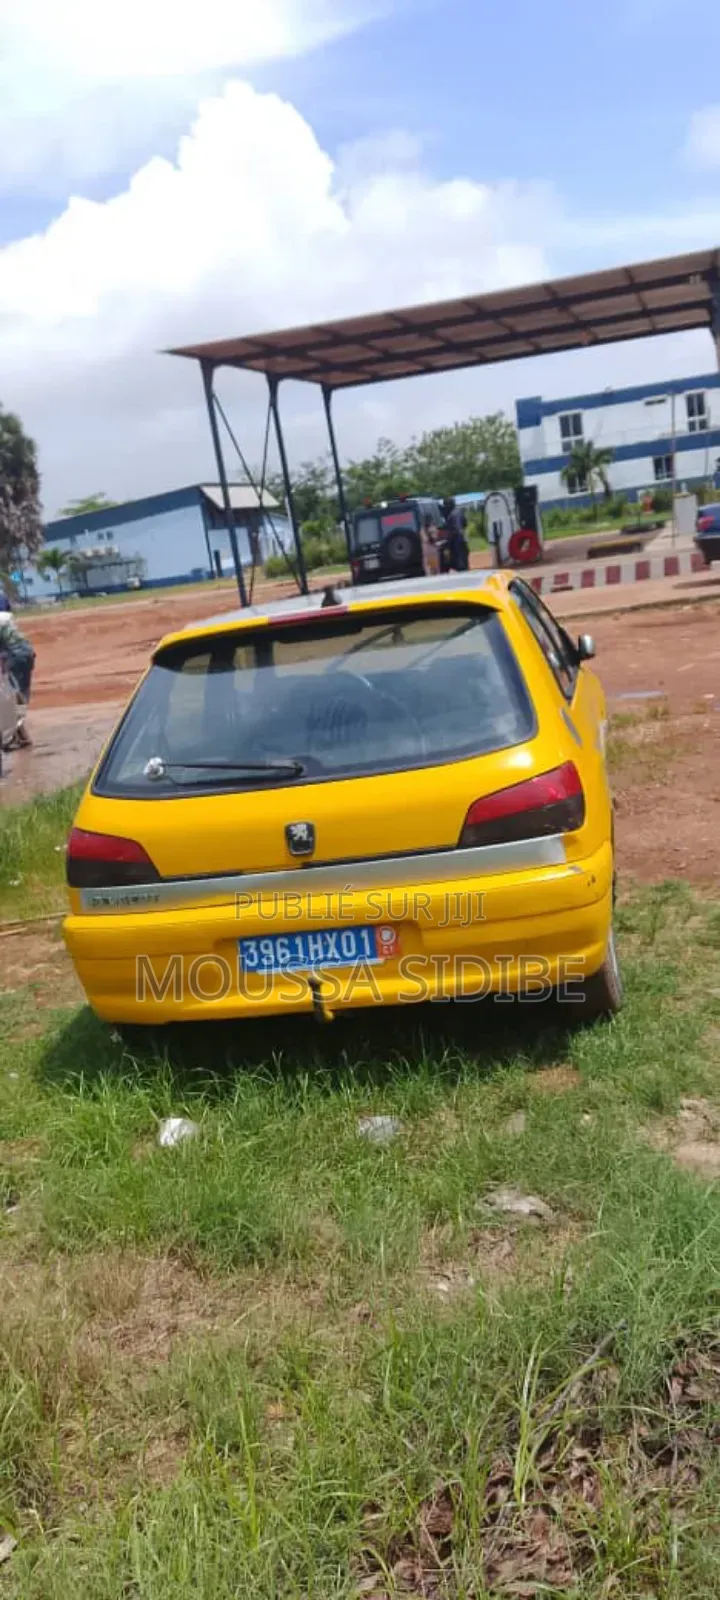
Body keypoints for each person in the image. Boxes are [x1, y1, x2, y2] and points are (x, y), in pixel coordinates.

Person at [0, 606, 35, 705]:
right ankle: (21, 714)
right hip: (28, 653)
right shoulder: (10, 627)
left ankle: (16, 714)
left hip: (15, 655)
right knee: (24, 688)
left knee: (13, 690)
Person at [442, 496, 470, 572]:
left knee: (460, 564)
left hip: (457, 541)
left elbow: (457, 529)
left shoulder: (453, 514)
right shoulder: (459, 511)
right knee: (463, 563)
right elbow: (465, 524)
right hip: (462, 540)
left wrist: (448, 542)